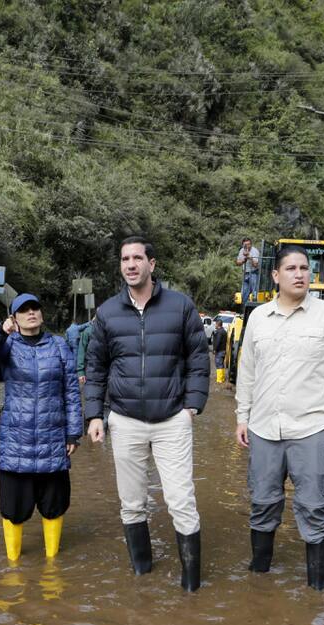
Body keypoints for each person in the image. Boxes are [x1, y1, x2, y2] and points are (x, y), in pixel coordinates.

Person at [84, 235, 209, 592]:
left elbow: (199, 360)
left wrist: (192, 407)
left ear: (152, 264)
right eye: (125, 259)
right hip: (124, 420)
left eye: (138, 258)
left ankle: (191, 586)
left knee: (181, 501)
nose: (131, 265)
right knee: (131, 504)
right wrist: (95, 415)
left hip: (172, 419)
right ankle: (143, 576)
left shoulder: (180, 306)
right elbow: (96, 367)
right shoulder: (107, 312)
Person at [234, 245, 324, 591]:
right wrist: (242, 416)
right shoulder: (258, 317)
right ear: (276, 276)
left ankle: (317, 590)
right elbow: (247, 373)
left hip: (312, 428)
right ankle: (259, 581)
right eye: (291, 268)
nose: (300, 274)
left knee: (314, 508)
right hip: (263, 429)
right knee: (262, 504)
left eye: (304, 268)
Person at [0, 293, 82, 561]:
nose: (31, 313)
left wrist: (74, 432)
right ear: (14, 318)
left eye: (35, 308)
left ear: (42, 314)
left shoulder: (60, 346)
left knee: (54, 504)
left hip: (53, 437)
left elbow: (71, 392)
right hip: (16, 440)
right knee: (13, 506)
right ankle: (13, 564)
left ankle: (52, 561)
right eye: (24, 310)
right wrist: (0, 330)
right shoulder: (8, 346)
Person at [235, 237, 261, 302]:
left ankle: (253, 308)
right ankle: (244, 309)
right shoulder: (241, 250)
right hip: (245, 273)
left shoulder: (255, 251)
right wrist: (243, 260)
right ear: (242, 245)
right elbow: (237, 263)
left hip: (253, 273)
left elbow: (256, 265)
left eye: (248, 244)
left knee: (254, 293)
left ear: (251, 244)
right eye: (245, 245)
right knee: (243, 294)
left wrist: (250, 257)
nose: (247, 246)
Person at [211, 318, 228, 384]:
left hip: (219, 351)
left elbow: (217, 342)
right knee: (221, 364)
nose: (215, 325)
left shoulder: (219, 332)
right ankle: (222, 378)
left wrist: (215, 349)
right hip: (223, 350)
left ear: (217, 324)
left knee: (219, 365)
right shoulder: (224, 331)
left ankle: (219, 379)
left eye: (215, 324)